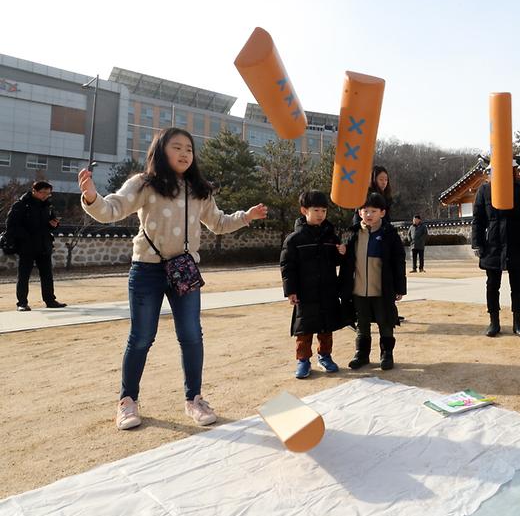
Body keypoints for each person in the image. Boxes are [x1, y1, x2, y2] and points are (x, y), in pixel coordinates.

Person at [79, 127, 268, 430]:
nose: (184, 154)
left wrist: (246, 216)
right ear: (161, 151)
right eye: (177, 147)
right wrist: (91, 197)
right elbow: (112, 208)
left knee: (192, 335)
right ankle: (127, 401)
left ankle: (194, 399)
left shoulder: (199, 189)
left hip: (184, 270)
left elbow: (218, 223)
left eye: (189, 149)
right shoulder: (144, 184)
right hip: (147, 270)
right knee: (141, 337)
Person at [280, 191, 348, 379]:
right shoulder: (294, 239)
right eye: (316, 210)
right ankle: (303, 360)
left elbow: (336, 261)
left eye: (324, 210)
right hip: (305, 291)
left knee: (326, 327)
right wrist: (291, 290)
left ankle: (325, 356)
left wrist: (341, 253)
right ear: (304, 210)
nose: (320, 214)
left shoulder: (331, 236)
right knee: (304, 328)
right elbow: (287, 266)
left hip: (327, 289)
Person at [341, 193, 407, 371]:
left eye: (373, 210)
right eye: (365, 210)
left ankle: (386, 354)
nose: (368, 214)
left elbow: (398, 262)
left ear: (382, 213)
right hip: (359, 290)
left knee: (385, 323)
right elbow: (346, 262)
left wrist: (400, 287)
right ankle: (361, 355)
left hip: (382, 290)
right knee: (362, 324)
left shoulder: (389, 235)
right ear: (359, 212)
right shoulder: (353, 234)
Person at [471, 162, 520, 338]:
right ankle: (494, 321)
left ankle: (518, 322)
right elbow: (478, 220)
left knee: (517, 285)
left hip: (515, 241)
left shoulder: (518, 190)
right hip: (492, 244)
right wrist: (477, 243)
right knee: (492, 285)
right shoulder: (484, 191)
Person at [6, 181, 66, 311]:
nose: (45, 195)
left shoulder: (47, 206)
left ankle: (50, 300)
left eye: (48, 193)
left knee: (47, 275)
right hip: (26, 246)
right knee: (24, 275)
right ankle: (22, 303)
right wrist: (27, 237)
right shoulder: (21, 205)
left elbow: (50, 225)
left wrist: (53, 224)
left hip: (44, 245)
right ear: (34, 190)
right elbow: (11, 226)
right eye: (42, 192)